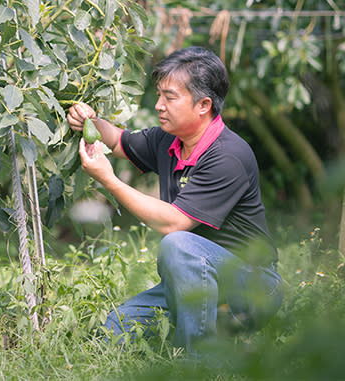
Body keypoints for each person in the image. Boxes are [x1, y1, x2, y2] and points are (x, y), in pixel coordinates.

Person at [67, 46, 282, 354]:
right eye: (159, 95)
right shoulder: (169, 140)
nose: (158, 105)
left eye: (170, 97)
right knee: (114, 330)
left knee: (178, 244)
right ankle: (219, 329)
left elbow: (174, 223)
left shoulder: (228, 156)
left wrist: (109, 180)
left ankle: (200, 359)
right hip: (195, 285)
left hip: (253, 285)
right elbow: (116, 141)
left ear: (203, 105)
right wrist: (88, 120)